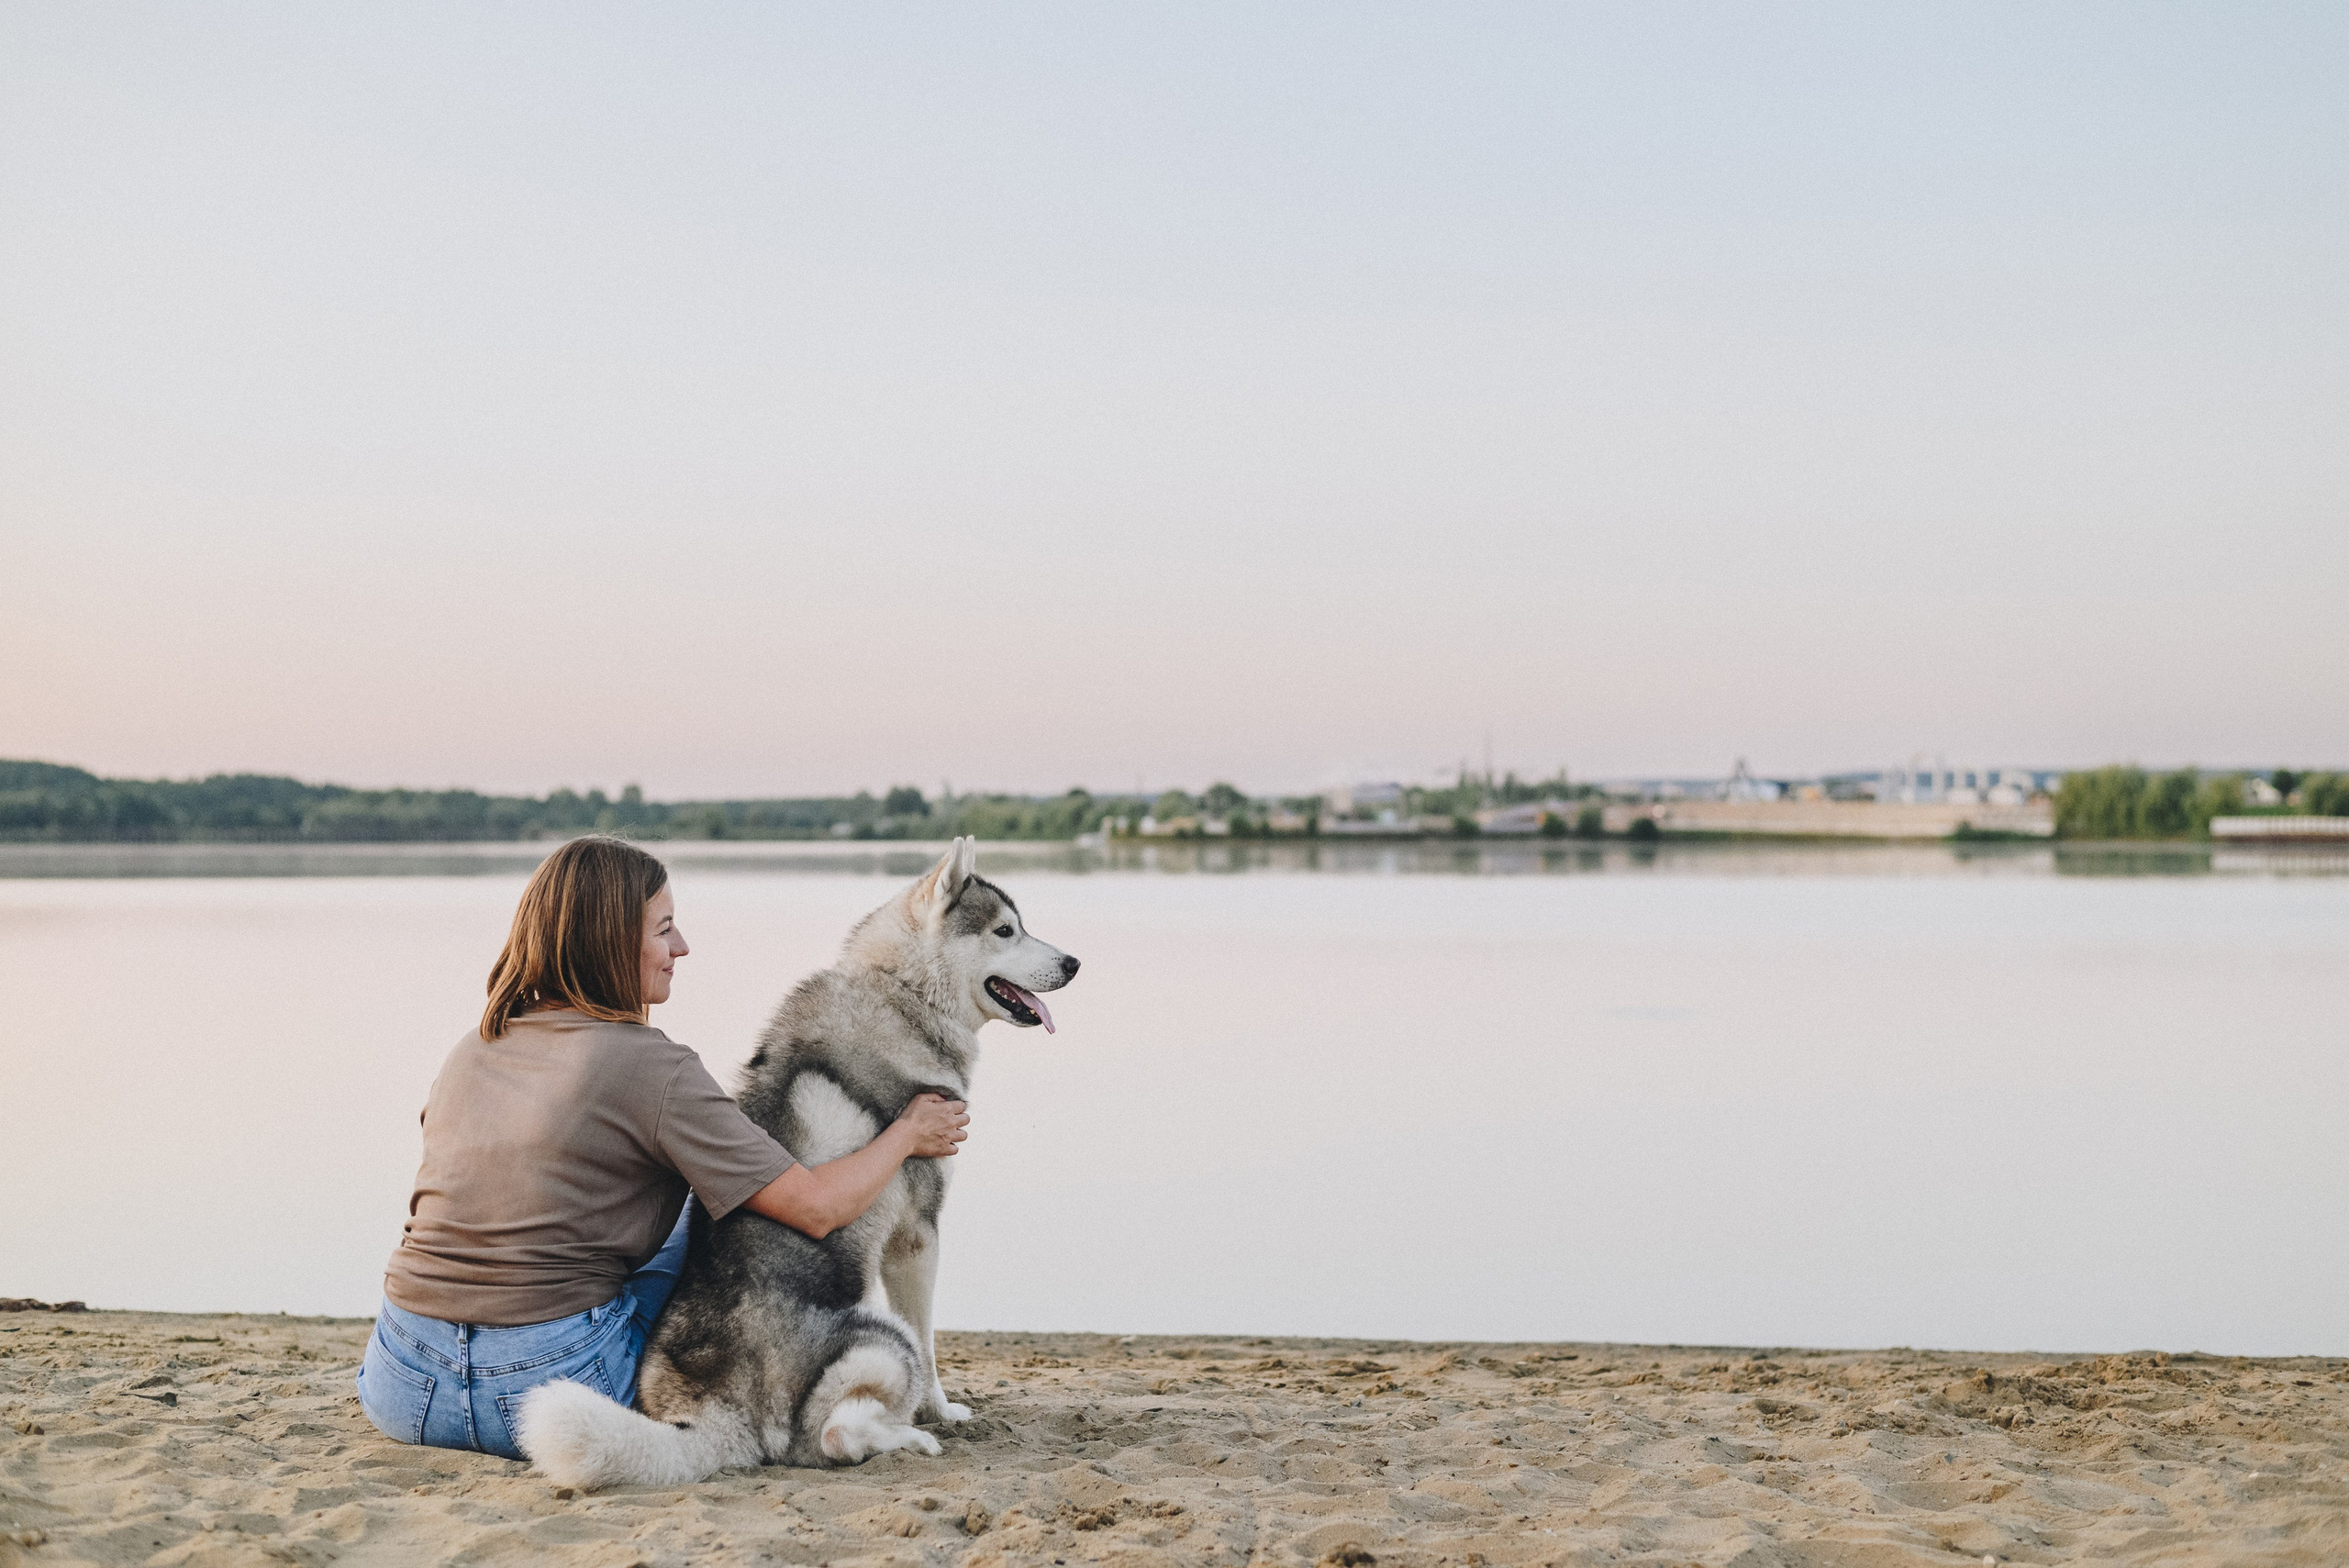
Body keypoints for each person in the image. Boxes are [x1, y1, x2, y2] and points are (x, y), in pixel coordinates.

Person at [356, 835, 968, 1458]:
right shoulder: (653, 1067)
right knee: (718, 1207)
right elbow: (814, 1208)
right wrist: (907, 1133)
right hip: (541, 1390)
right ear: (612, 941)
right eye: (665, 929)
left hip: (402, 1383)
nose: (682, 947)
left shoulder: (472, 1047)